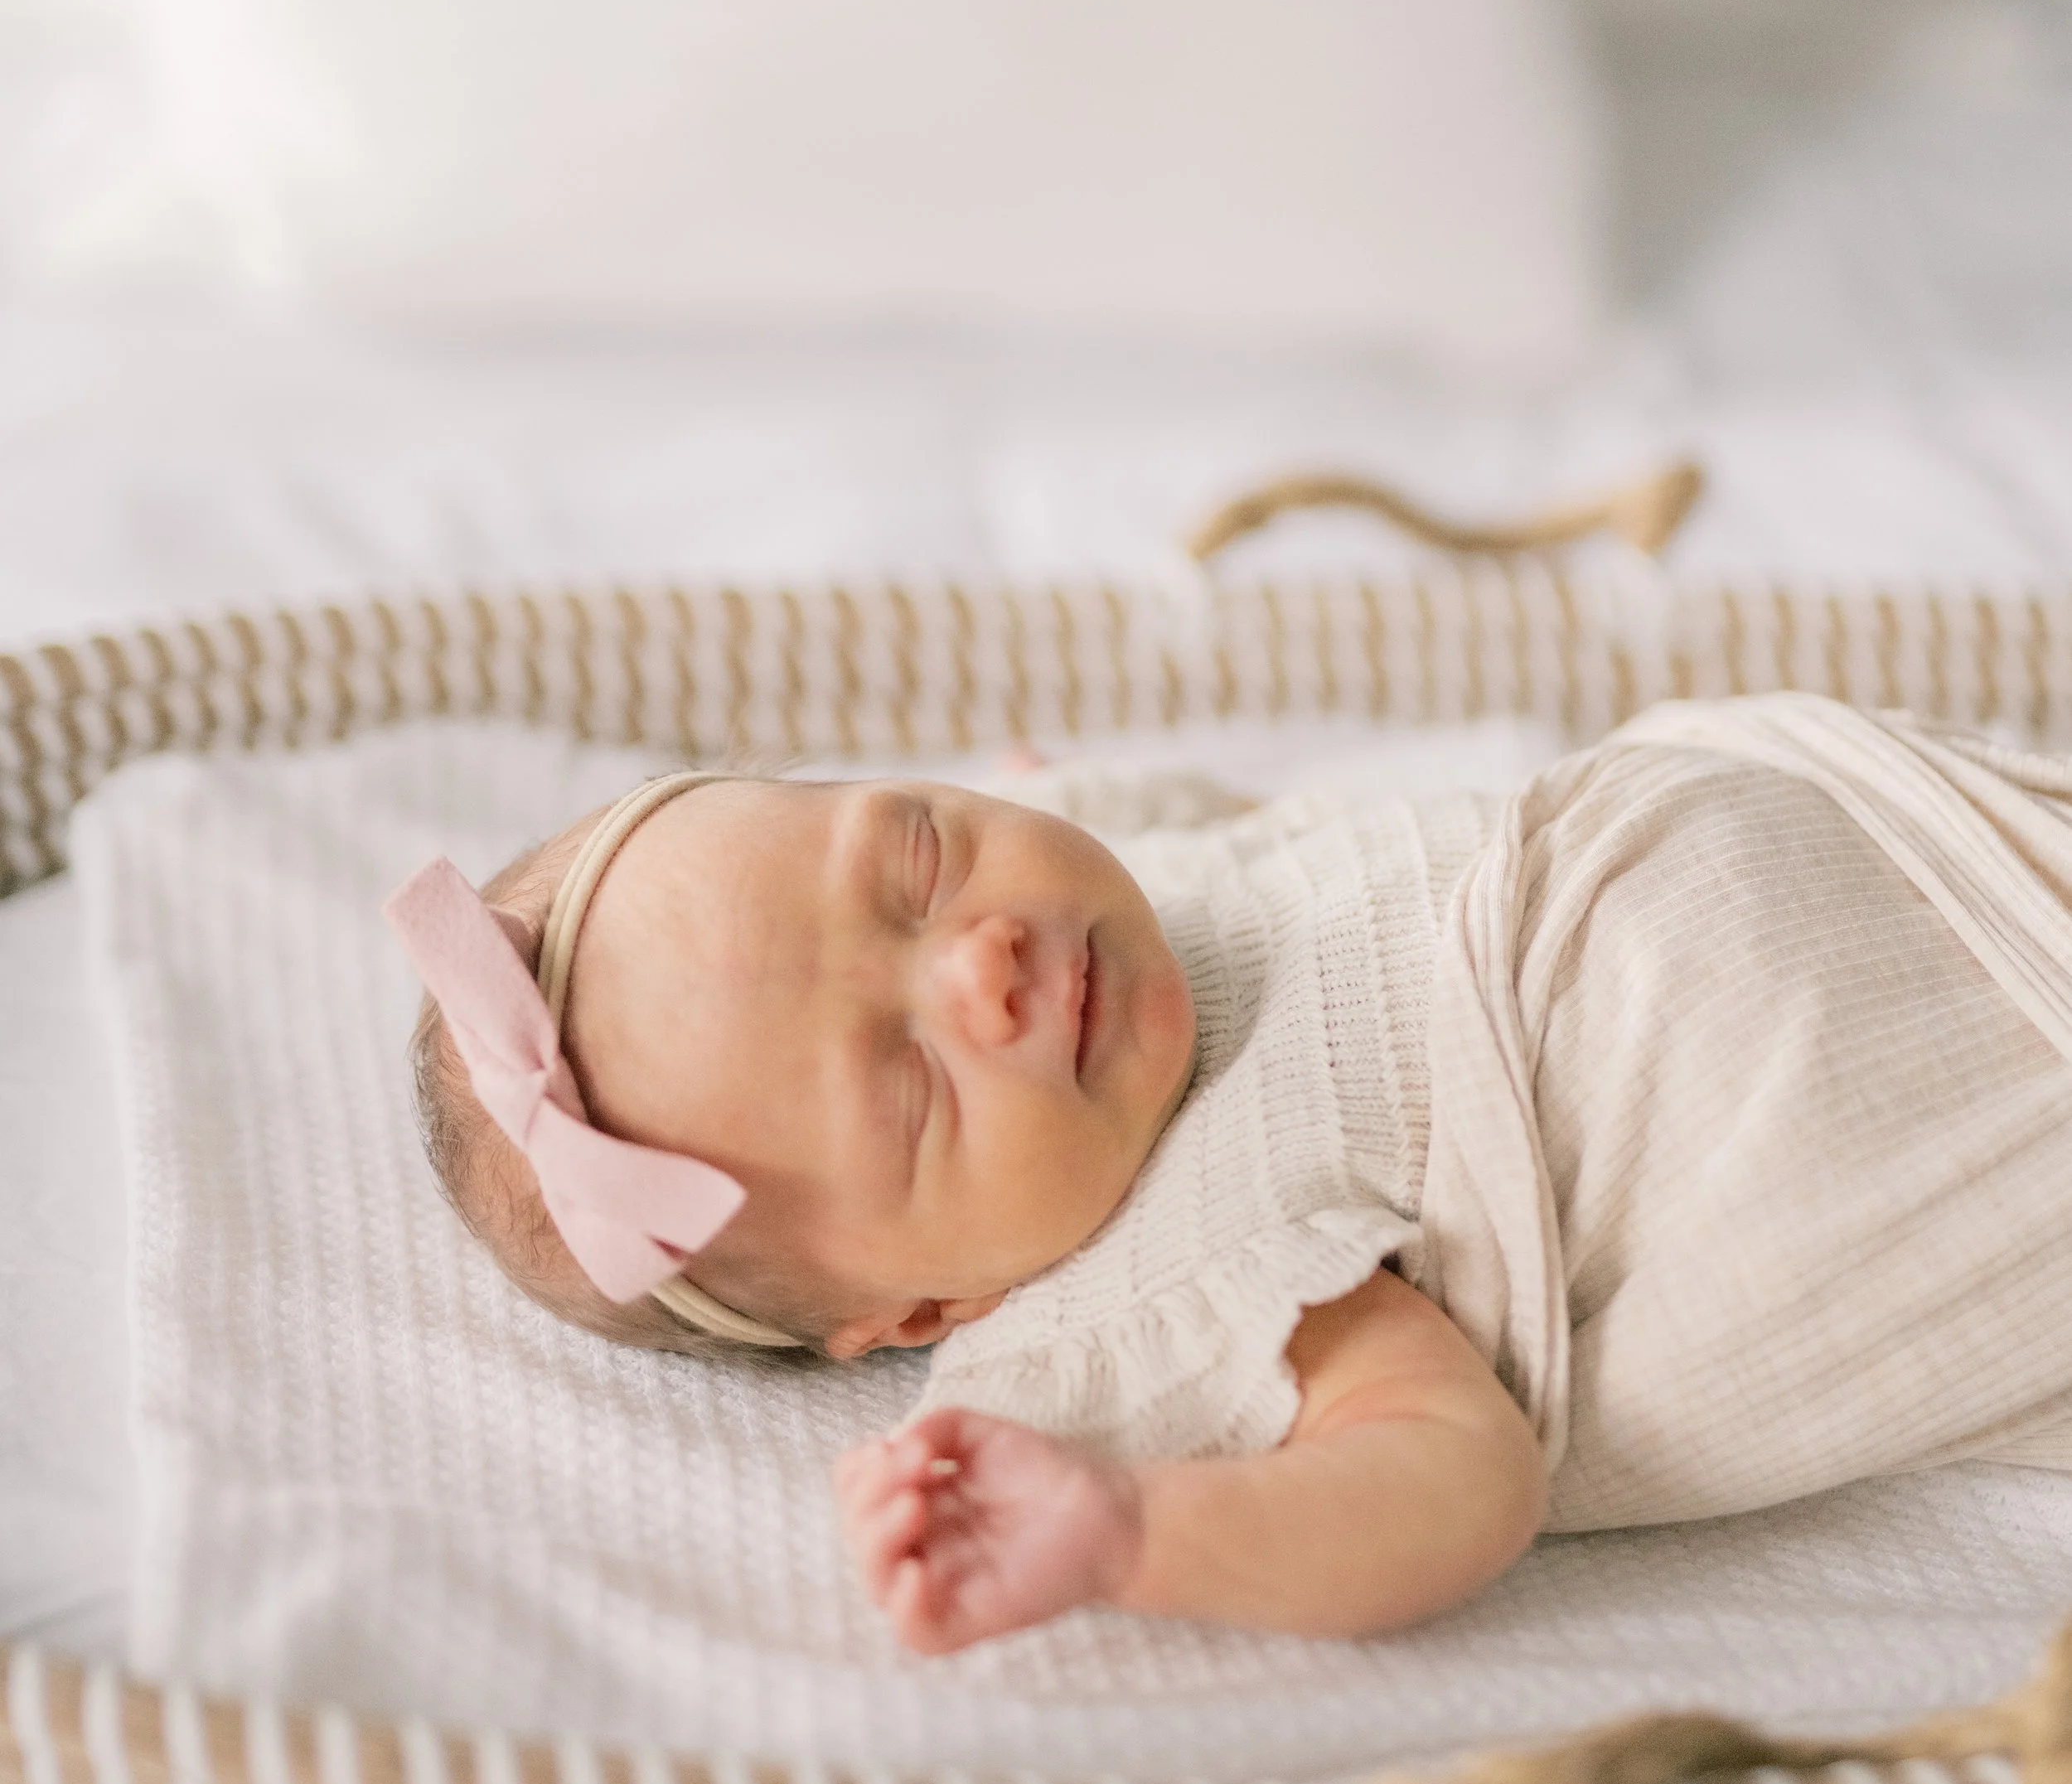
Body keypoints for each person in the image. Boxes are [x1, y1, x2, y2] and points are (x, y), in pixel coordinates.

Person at [387, 695, 2072, 1656]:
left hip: (1911, 844)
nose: (979, 963)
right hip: (1821, 1133)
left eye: (913, 853)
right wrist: (1128, 1532)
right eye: (907, 1085)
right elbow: (1448, 1475)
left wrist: (1036, 795)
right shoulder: (1157, 1286)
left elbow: (1170, 811)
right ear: (926, 1303)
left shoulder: (1146, 893)